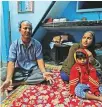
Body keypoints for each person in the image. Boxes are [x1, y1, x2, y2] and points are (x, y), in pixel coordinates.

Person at [0, 20, 54, 94]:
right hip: (21, 70)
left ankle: (19, 83)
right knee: (3, 74)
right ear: (20, 30)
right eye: (25, 28)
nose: (28, 30)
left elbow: (40, 60)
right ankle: (28, 80)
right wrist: (9, 78)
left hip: (33, 70)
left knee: (48, 72)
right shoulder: (14, 45)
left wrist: (44, 72)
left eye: (30, 29)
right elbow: (11, 62)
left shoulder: (37, 44)